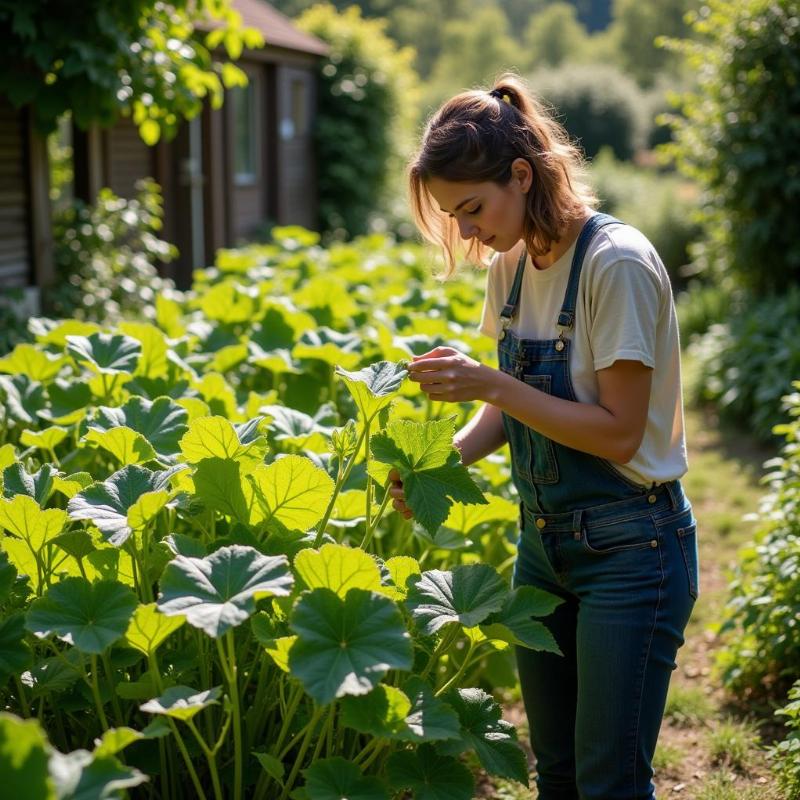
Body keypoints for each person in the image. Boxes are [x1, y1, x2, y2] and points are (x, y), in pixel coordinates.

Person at [388, 72, 699, 800]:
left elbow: (620, 434)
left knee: (608, 779)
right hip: (544, 546)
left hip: (632, 548)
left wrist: (492, 382)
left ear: (521, 175)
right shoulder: (513, 269)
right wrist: (445, 460)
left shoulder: (613, 265)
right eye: (452, 216)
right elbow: (513, 410)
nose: (465, 231)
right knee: (555, 773)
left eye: (471, 208)